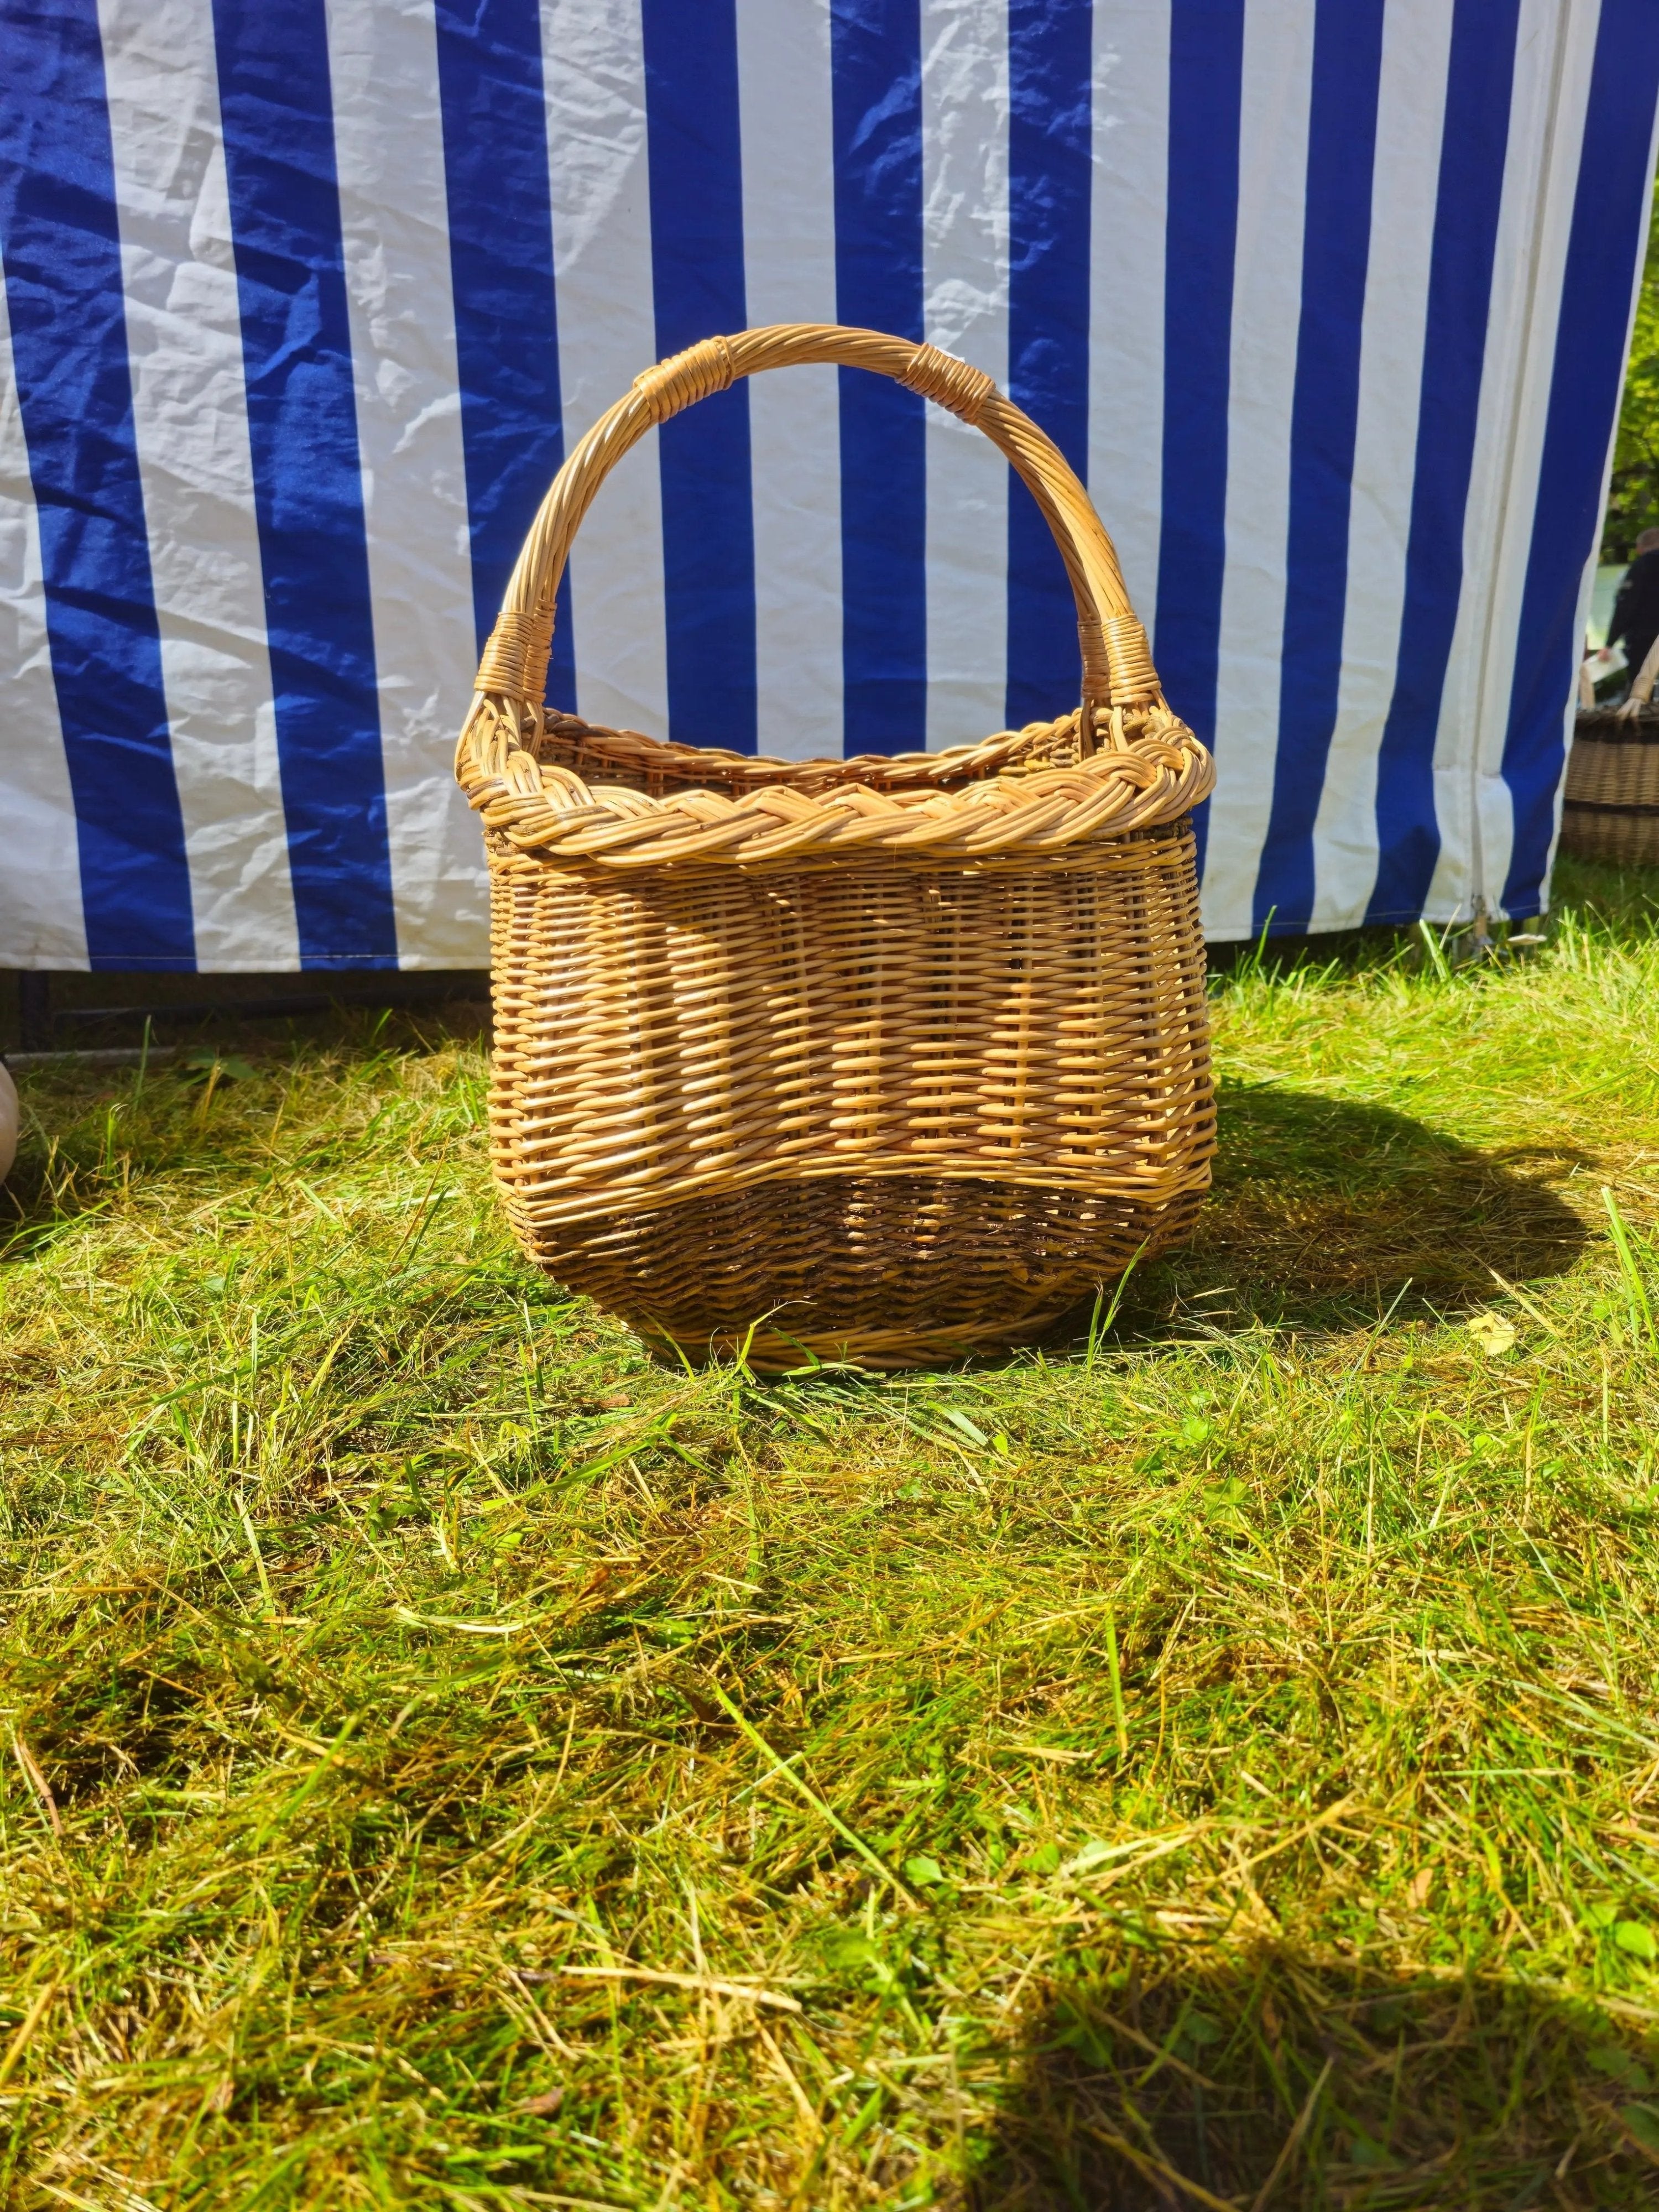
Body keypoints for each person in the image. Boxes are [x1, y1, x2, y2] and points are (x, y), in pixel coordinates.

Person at [1607, 526, 1659, 688]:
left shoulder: (1641, 567)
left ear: (1639, 548)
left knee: (1641, 690)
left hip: (1644, 640)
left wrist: (1610, 643)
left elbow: (1626, 606)